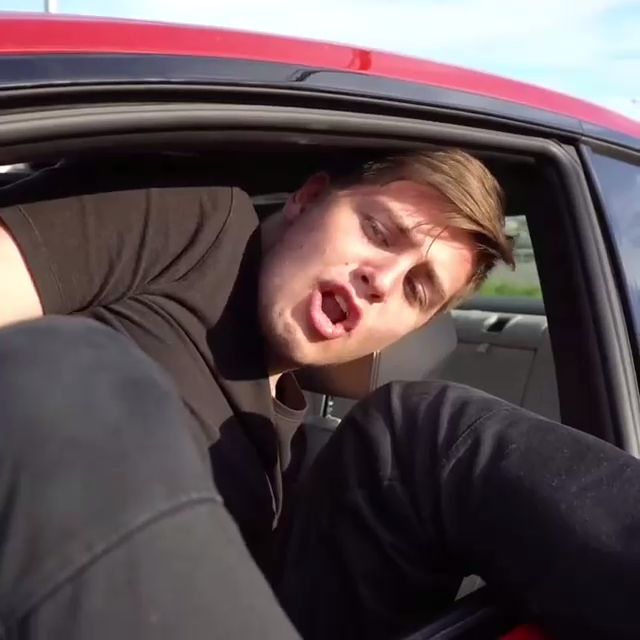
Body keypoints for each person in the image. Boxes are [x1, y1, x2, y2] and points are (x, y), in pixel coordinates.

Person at [0, 147, 638, 640]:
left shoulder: (294, 458)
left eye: (417, 289)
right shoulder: (204, 227)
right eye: (378, 231)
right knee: (63, 367)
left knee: (419, 426)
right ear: (306, 200)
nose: (382, 280)